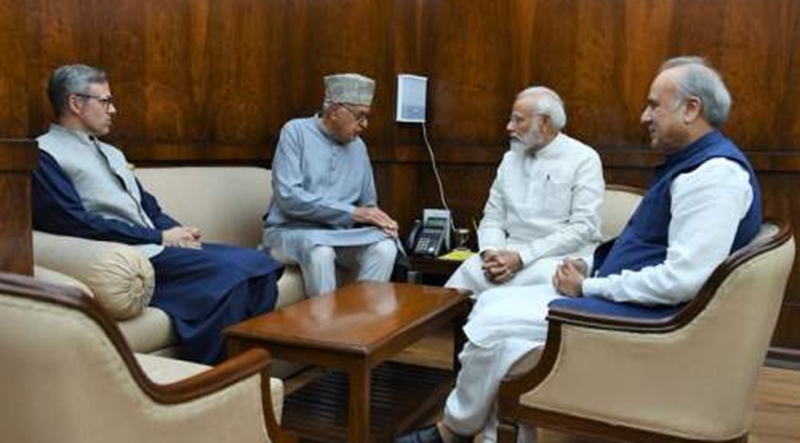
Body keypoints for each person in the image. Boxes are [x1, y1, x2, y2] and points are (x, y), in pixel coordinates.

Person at [396, 56, 762, 443]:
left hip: (643, 320)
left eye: (654, 105)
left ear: (691, 109)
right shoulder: (695, 167)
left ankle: (452, 430)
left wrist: (587, 287)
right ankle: (486, 436)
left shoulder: (714, 176)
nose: (644, 116)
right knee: (495, 319)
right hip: (619, 296)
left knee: (490, 326)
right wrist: (589, 272)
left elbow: (683, 280)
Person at [31, 64, 283, 365]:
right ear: (75, 103)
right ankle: (213, 373)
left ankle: (244, 369)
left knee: (261, 267)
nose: (114, 110)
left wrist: (179, 232)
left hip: (155, 246)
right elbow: (73, 222)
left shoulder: (111, 152)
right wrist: (160, 236)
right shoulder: (43, 153)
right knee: (237, 274)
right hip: (130, 254)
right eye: (106, 101)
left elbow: (148, 207)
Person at [444, 86, 604, 295]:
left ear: (544, 123)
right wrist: (491, 254)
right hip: (505, 255)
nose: (509, 127)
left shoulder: (584, 158)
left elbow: (582, 228)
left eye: (518, 120)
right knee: (462, 280)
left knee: (522, 293)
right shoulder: (510, 159)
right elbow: (493, 217)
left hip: (557, 258)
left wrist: (521, 258)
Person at [263, 73, 398, 297]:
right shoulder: (295, 132)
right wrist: (355, 213)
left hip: (339, 236)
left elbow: (368, 204)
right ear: (335, 111)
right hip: (289, 232)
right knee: (321, 251)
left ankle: (365, 316)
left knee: (385, 247)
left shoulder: (359, 147)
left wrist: (382, 222)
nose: (365, 124)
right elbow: (289, 197)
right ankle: (324, 320)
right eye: (360, 116)